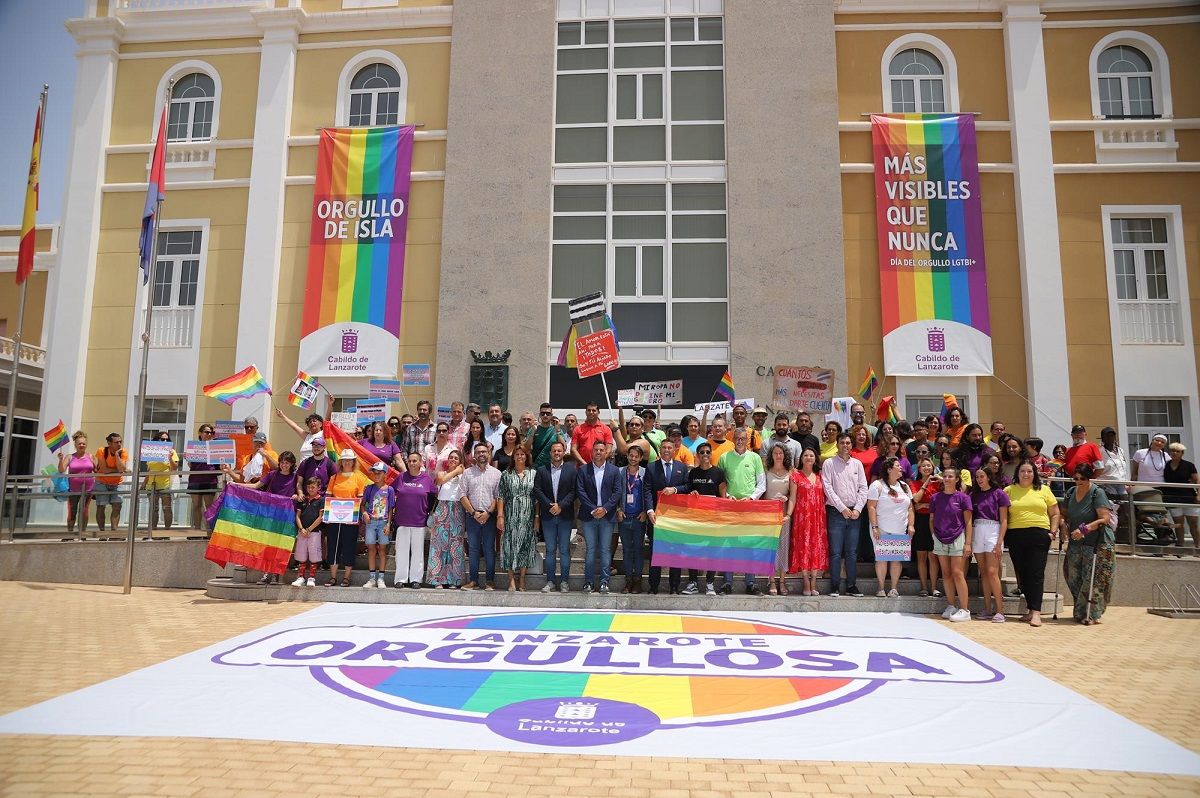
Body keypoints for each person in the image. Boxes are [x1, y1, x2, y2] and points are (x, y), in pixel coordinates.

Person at [1003, 462, 1060, 627]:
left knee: (1035, 573)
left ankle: (1036, 612)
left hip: (1039, 534)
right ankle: (1030, 609)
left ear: (1034, 473)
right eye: (1022, 471)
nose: (1026, 474)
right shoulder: (1009, 490)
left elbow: (1055, 513)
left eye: (1029, 471)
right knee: (1023, 574)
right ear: (1017, 473)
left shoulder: (1044, 490)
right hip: (1015, 535)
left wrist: (1052, 532)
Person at [1064, 463, 1115, 625]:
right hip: (1076, 542)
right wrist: (1064, 527)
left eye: (1082, 479)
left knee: (1093, 579)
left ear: (1089, 478)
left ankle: (1091, 613)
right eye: (1075, 478)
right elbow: (1065, 515)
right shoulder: (1071, 492)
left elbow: (1105, 518)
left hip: (1098, 543)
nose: (1078, 481)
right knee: (1073, 576)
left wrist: (1086, 529)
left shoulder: (1097, 493)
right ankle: (1080, 610)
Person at [718, 427, 767, 596]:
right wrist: (729, 496)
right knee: (729, 546)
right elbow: (721, 483)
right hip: (731, 507)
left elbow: (761, 484)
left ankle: (751, 583)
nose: (739, 441)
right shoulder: (724, 458)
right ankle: (727, 582)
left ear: (747, 440)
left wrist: (752, 498)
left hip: (750, 507)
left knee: (750, 546)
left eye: (742, 438)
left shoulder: (755, 458)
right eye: (737, 438)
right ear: (733, 439)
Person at [646, 437, 695, 595]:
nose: (667, 450)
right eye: (664, 447)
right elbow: (646, 490)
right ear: (660, 450)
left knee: (675, 552)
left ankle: (674, 586)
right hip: (657, 517)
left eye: (669, 448)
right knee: (656, 552)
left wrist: (674, 489)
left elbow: (687, 487)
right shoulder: (651, 467)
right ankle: (654, 586)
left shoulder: (682, 467)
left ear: (674, 450)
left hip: (675, 519)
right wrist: (649, 510)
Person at [822, 433, 868, 598]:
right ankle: (834, 586)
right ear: (838, 445)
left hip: (855, 513)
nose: (845, 445)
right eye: (842, 442)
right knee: (835, 552)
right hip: (836, 513)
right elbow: (827, 488)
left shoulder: (857, 464)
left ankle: (851, 585)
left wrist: (857, 509)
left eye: (848, 442)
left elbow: (863, 488)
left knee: (852, 552)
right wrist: (842, 508)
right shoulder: (829, 463)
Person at [576, 440, 622, 595]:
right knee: (590, 550)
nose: (598, 452)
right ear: (592, 452)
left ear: (606, 452)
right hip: (589, 517)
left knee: (605, 550)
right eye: (596, 450)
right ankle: (588, 582)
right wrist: (593, 509)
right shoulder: (583, 470)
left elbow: (617, 492)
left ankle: (604, 582)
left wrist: (606, 509)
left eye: (601, 450)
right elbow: (580, 492)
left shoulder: (614, 471)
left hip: (607, 517)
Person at [866, 456, 914, 598]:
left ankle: (894, 588)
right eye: (898, 466)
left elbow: (911, 508)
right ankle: (881, 588)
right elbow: (871, 507)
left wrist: (911, 525)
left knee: (896, 559)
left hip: (900, 528)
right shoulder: (877, 485)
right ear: (889, 469)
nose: (901, 468)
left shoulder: (904, 486)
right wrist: (874, 527)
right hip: (881, 529)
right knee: (881, 558)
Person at [931, 467, 973, 622]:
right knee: (946, 573)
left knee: (957, 573)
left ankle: (965, 609)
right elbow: (932, 518)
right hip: (940, 537)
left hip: (957, 537)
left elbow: (968, 522)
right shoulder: (936, 497)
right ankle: (951, 605)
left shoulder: (963, 498)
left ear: (957, 479)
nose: (947, 478)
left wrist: (968, 543)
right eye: (945, 476)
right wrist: (934, 534)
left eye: (950, 476)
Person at [534, 441, 576, 593]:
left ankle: (564, 581)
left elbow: (574, 491)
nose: (557, 453)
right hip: (548, 515)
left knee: (564, 549)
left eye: (559, 451)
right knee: (550, 550)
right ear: (550, 453)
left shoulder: (571, 470)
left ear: (563, 452)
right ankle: (550, 581)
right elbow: (537, 490)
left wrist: (561, 506)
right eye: (554, 451)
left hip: (565, 515)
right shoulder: (541, 470)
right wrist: (550, 505)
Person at [971, 467, 1010, 622]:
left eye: (982, 476)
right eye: (977, 476)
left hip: (993, 529)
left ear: (989, 477)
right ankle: (987, 608)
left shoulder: (999, 493)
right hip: (977, 530)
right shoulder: (974, 494)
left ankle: (1000, 610)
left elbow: (1004, 520)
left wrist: (999, 541)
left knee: (993, 572)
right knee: (984, 572)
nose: (979, 479)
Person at [325, 450, 369, 587]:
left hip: (351, 518)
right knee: (333, 546)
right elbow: (328, 497)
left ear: (354, 462)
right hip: (334, 518)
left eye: (350, 460)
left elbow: (361, 499)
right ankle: (332, 577)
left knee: (349, 546)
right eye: (345, 460)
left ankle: (346, 577)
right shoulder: (334, 478)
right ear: (341, 462)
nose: (347, 462)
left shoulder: (359, 478)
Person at [497, 445, 538, 592]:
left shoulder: (533, 473)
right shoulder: (506, 474)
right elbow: (501, 496)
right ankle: (511, 579)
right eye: (517, 454)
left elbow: (536, 498)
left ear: (527, 457)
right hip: (510, 514)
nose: (520, 456)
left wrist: (537, 517)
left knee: (525, 546)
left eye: (522, 454)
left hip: (528, 515)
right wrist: (500, 516)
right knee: (509, 545)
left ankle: (522, 578)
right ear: (513, 457)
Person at [789, 447, 827, 597]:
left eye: (811, 455)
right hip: (802, 517)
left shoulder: (820, 476)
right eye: (806, 455)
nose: (809, 458)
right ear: (801, 458)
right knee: (803, 546)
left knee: (816, 546)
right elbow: (792, 498)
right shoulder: (795, 476)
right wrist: (788, 514)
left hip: (818, 517)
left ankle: (814, 581)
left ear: (815, 458)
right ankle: (805, 580)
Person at [426, 449, 467, 589]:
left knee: (455, 545)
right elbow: (442, 480)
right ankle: (437, 579)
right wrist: (457, 471)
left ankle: (454, 580)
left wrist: (461, 472)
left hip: (457, 508)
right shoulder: (441, 473)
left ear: (460, 460)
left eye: (456, 458)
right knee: (438, 545)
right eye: (451, 458)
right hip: (442, 508)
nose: (453, 460)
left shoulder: (464, 475)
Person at [615, 444, 650, 594]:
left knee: (638, 550)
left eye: (636, 456)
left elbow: (648, 494)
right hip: (624, 517)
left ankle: (637, 581)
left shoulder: (645, 473)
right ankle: (628, 581)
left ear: (641, 458)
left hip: (639, 518)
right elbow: (615, 492)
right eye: (631, 455)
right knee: (627, 551)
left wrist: (645, 512)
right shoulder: (619, 472)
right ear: (627, 456)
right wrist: (617, 509)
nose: (633, 458)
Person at [764, 443, 797, 596]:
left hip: (784, 513)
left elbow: (793, 497)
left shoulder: (791, 472)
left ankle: (782, 581)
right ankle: (771, 581)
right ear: (771, 455)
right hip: (768, 512)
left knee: (783, 547)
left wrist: (788, 514)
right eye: (775, 453)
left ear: (785, 455)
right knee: (771, 547)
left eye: (781, 453)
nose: (778, 455)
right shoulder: (766, 471)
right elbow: (762, 493)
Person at [359, 461, 395, 589]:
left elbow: (391, 508)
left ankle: (381, 578)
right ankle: (372, 578)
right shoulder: (369, 488)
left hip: (383, 522)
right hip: (371, 522)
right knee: (371, 549)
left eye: (379, 473)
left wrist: (388, 525)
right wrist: (365, 514)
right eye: (374, 472)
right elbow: (362, 504)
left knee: (382, 549)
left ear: (385, 474)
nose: (376, 475)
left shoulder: (390, 490)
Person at [909, 457, 941, 598]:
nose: (927, 468)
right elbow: (915, 499)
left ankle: (934, 587)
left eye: (929, 466)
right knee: (921, 556)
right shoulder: (914, 483)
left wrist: (924, 505)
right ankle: (923, 587)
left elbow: (941, 501)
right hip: (920, 521)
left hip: (935, 520)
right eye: (923, 466)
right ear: (919, 469)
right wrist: (927, 482)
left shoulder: (939, 484)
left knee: (933, 556)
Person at [58, 431, 96, 534]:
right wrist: (61, 459)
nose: (82, 445)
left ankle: (82, 533)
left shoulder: (90, 456)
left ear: (86, 444)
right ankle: (69, 534)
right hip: (73, 489)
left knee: (84, 511)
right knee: (72, 511)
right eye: (79, 443)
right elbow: (61, 470)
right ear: (75, 445)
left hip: (88, 489)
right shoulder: (70, 457)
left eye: (83, 443)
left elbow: (97, 470)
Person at [1163, 442, 1199, 550]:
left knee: (1193, 523)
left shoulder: (1189, 465)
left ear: (1182, 453)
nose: (1174, 453)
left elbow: (1197, 480)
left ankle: (1198, 546)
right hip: (1173, 498)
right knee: (1178, 524)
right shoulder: (1166, 465)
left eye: (1177, 451)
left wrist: (1198, 495)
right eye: (1173, 451)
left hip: (1188, 498)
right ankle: (1181, 547)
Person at [142, 430, 179, 532]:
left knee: (166, 508)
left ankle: (166, 532)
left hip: (165, 484)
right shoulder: (151, 451)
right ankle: (153, 531)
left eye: (167, 439)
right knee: (153, 509)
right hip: (152, 484)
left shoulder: (172, 451)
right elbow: (149, 469)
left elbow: (174, 467)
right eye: (163, 439)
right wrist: (144, 483)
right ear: (157, 440)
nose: (165, 441)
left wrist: (170, 457)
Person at [186, 424, 221, 531]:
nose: (209, 434)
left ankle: (209, 530)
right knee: (196, 505)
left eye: (211, 432)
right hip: (195, 479)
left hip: (209, 480)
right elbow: (191, 466)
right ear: (200, 433)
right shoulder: (194, 447)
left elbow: (219, 465)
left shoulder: (215, 447)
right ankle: (197, 530)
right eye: (206, 432)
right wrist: (188, 458)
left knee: (209, 506)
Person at [291, 477, 325, 588]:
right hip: (302, 532)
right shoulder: (303, 500)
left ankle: (311, 577)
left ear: (319, 488)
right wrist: (301, 529)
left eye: (313, 487)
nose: (310, 489)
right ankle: (300, 577)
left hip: (314, 532)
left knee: (314, 555)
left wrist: (309, 529)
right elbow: (297, 516)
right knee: (301, 554)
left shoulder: (321, 500)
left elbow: (320, 517)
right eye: (309, 487)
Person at [94, 432, 129, 531]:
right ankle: (102, 533)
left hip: (117, 482)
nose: (119, 444)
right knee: (101, 506)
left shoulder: (123, 452)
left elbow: (121, 469)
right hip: (102, 482)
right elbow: (104, 470)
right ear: (109, 443)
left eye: (120, 442)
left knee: (117, 506)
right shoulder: (101, 451)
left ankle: (114, 532)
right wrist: (118, 470)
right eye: (116, 442)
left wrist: (117, 456)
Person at [571, 402, 614, 467]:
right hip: (582, 468)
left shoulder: (606, 429)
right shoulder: (578, 429)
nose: (591, 412)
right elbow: (573, 449)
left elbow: (608, 450)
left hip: (600, 467)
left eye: (594, 410)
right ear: (585, 412)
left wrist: (598, 464)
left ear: (598, 412)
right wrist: (585, 465)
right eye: (589, 410)